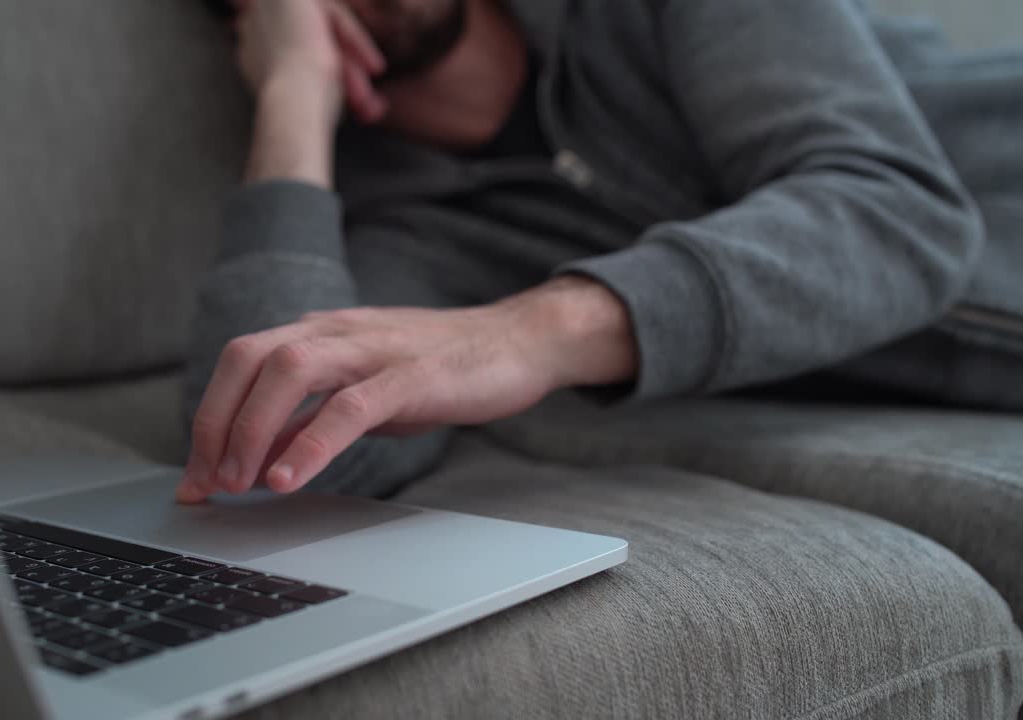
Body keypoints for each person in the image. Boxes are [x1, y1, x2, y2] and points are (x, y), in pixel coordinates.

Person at [176, 0, 1023, 504]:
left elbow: (900, 215)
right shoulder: (409, 229)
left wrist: (531, 333)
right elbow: (266, 462)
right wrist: (291, 100)